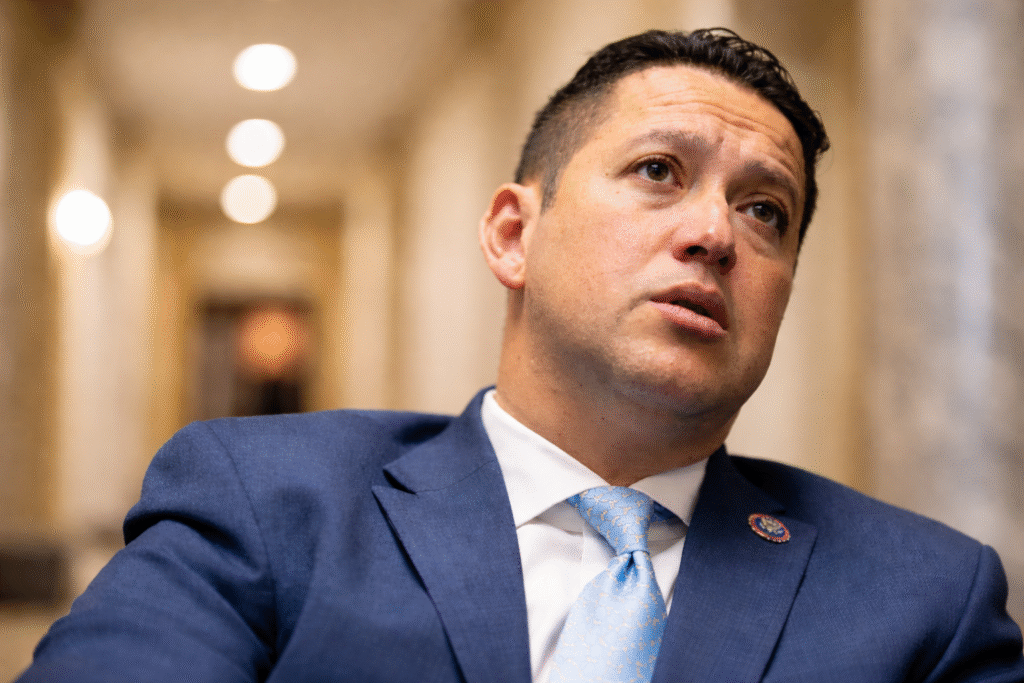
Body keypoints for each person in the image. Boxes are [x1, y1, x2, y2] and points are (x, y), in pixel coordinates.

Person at [17, 28, 1024, 683]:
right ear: (512, 235)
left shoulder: (925, 598)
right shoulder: (269, 504)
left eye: (767, 210)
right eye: (658, 170)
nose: (715, 233)